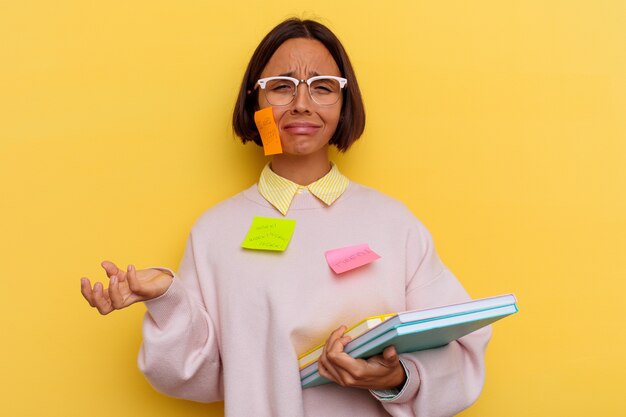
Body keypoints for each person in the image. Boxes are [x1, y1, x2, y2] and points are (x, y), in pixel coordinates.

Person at [80, 18, 491, 417]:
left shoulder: (394, 223)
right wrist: (167, 298)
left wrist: (396, 377)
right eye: (281, 87)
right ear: (254, 102)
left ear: (345, 103)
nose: (301, 103)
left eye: (322, 87)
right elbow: (195, 377)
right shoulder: (216, 232)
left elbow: (460, 349)